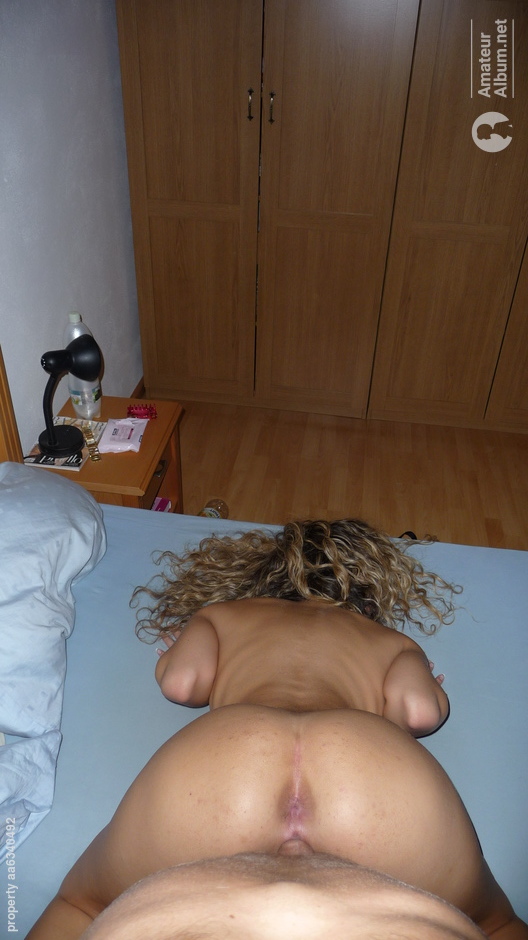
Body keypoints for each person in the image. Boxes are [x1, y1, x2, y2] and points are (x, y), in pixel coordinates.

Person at [27, 706, 527, 938]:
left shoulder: (226, 615)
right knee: (497, 922)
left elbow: (179, 680)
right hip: (367, 765)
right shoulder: (385, 638)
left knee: (81, 901)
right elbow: (420, 708)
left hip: (228, 758)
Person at [134, 518, 460, 735]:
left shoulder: (219, 615)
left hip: (243, 735)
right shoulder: (394, 643)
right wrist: (419, 675)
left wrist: (183, 648)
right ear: (370, 594)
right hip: (345, 745)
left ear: (266, 575)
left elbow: (180, 685)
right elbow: (419, 713)